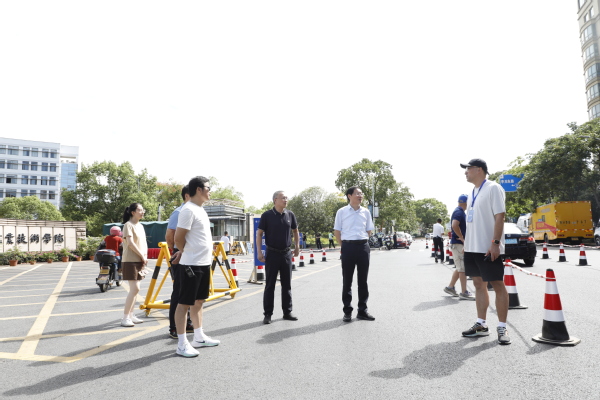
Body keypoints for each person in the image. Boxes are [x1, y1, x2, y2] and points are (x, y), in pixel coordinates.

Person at [459, 159, 510, 345]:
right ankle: (481, 324)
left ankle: (502, 327)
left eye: (468, 169)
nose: (465, 172)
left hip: (488, 248)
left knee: (497, 284)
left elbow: (500, 216)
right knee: (478, 285)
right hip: (472, 248)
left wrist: (495, 243)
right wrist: (467, 243)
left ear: (479, 169)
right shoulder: (472, 192)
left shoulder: (493, 188)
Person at [172, 176, 220, 357]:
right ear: (198, 189)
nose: (210, 191)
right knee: (184, 304)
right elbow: (178, 238)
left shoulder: (201, 209)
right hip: (191, 264)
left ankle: (199, 337)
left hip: (203, 263)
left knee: (199, 301)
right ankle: (181, 344)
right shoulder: (188, 210)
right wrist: (185, 252)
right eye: (208, 188)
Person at [257, 191, 300, 324]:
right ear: (275, 200)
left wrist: (297, 246)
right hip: (272, 253)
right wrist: (259, 252)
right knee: (270, 285)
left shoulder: (290, 214)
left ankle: (287, 312)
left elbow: (295, 231)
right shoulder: (267, 215)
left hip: (286, 253)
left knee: (287, 285)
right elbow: (259, 234)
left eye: (286, 198)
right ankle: (268, 314)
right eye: (283, 198)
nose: (286, 200)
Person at [334, 186, 375, 322]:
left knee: (363, 281)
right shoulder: (342, 212)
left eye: (361, 193)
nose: (360, 195)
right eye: (357, 193)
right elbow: (337, 231)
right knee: (347, 281)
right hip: (348, 247)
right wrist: (344, 245)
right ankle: (347, 311)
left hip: (363, 247)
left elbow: (369, 230)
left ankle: (362, 311)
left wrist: (362, 240)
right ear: (349, 196)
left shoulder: (366, 212)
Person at [165, 185, 193, 339]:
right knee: (179, 291)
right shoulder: (179, 212)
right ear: (187, 196)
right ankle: (174, 327)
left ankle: (187, 323)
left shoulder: (194, 211)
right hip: (181, 255)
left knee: (189, 291)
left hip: (192, 255)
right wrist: (176, 251)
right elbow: (170, 235)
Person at [120, 203, 148, 327]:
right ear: (133, 212)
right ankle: (125, 317)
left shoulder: (140, 226)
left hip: (140, 260)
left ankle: (131, 315)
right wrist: (142, 256)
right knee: (135, 289)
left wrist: (145, 256)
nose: (142, 212)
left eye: (143, 210)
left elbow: (144, 243)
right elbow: (130, 243)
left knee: (136, 289)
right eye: (140, 210)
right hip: (130, 260)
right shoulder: (128, 225)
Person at [443, 195, 474, 300]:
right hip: (458, 244)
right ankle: (464, 292)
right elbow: (454, 225)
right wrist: (461, 237)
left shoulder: (459, 211)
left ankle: (450, 287)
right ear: (466, 203)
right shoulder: (459, 212)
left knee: (460, 267)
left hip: (457, 244)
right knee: (462, 269)